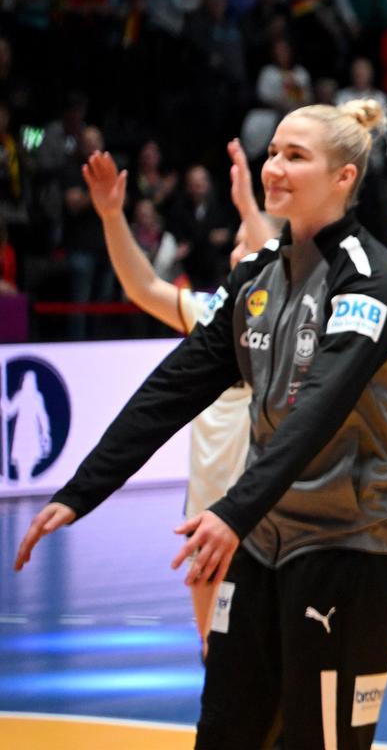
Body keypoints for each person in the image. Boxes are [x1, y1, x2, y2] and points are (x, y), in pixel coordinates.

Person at [16, 101, 387, 749]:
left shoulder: (371, 283)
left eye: (296, 156)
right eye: (274, 152)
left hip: (350, 550)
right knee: (226, 732)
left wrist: (230, 511)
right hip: (261, 542)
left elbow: (317, 410)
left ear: (344, 178)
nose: (274, 167)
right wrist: (79, 490)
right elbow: (174, 387)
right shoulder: (254, 279)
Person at [77, 140, 275, 651]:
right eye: (234, 244)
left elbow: (275, 261)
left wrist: (249, 205)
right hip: (206, 509)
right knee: (214, 652)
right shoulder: (210, 310)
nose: (237, 251)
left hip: (267, 510)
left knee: (264, 657)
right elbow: (142, 287)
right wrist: (111, 216)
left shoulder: (293, 316)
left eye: (247, 245)